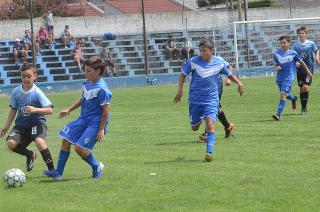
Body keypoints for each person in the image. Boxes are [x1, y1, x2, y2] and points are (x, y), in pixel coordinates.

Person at [173, 38, 244, 162]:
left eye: (204, 51)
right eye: (200, 51)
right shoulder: (193, 61)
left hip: (211, 99)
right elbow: (182, 74)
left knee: (211, 126)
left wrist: (239, 84)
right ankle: (206, 121)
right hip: (195, 100)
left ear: (212, 51)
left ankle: (209, 153)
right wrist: (180, 90)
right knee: (194, 128)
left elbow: (229, 74)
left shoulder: (219, 63)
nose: (202, 53)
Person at [43, 56, 112, 180]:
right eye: (86, 70)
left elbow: (106, 111)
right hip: (83, 120)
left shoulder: (102, 90)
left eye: (89, 71)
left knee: (79, 149)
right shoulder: (88, 83)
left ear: (98, 72)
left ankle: (96, 166)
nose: (86, 73)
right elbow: (83, 98)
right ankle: (58, 173)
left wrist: (101, 129)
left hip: (95, 124)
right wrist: (69, 109)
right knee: (65, 140)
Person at [0, 63, 56, 172]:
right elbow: (13, 109)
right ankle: (30, 154)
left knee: (40, 141)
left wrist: (35, 109)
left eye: (29, 76)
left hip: (37, 123)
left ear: (34, 76)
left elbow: (50, 110)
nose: (26, 79)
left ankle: (52, 171)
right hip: (21, 126)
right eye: (23, 76)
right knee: (10, 143)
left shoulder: (37, 92)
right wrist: (6, 126)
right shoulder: (16, 92)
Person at [272, 35, 312, 121]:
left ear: (289, 43)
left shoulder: (293, 53)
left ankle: (278, 114)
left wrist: (308, 71)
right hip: (280, 77)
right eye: (281, 43)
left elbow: (301, 62)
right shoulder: (278, 53)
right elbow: (275, 62)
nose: (282, 44)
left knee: (283, 95)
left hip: (289, 77)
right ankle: (294, 99)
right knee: (285, 94)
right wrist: (276, 67)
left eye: (284, 42)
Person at [199, 63, 235, 142]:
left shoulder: (216, 59)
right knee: (216, 107)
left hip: (216, 85)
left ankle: (207, 134)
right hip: (206, 86)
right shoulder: (199, 59)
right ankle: (228, 126)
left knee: (211, 106)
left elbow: (229, 66)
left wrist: (228, 78)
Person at [292, 26, 320, 115]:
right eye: (299, 33)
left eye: (302, 33)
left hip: (309, 69)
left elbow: (316, 51)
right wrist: (295, 62)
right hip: (299, 70)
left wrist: (317, 58)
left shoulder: (311, 43)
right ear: (298, 35)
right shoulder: (295, 45)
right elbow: (292, 55)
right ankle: (303, 107)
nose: (301, 34)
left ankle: (303, 108)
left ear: (306, 34)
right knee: (301, 89)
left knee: (305, 87)